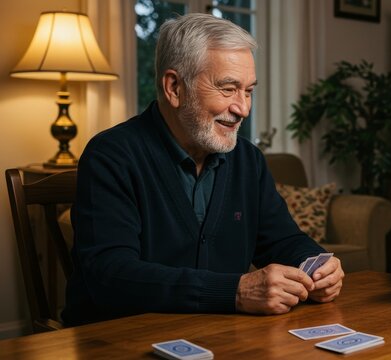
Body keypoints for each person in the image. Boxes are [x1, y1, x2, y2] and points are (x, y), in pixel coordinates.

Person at [62, 13, 343, 326]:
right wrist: (234, 291)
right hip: (115, 339)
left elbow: (281, 240)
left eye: (248, 91)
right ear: (174, 87)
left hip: (218, 336)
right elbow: (110, 274)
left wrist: (316, 264)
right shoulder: (111, 155)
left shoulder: (248, 159)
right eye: (227, 89)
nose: (243, 109)